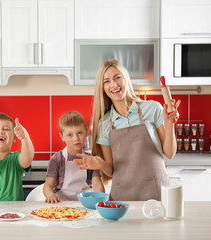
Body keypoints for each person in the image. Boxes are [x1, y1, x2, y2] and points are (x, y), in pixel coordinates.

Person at [74, 59, 181, 201]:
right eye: (106, 81)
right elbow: (111, 170)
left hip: (157, 191)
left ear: (126, 79)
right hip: (123, 197)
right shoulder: (104, 124)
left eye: (117, 77)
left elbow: (170, 153)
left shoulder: (152, 109)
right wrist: (101, 165)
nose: (113, 85)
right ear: (102, 88)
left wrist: (169, 124)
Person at [44, 111, 105, 203]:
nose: (76, 138)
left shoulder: (91, 159)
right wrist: (50, 195)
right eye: (70, 135)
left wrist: (99, 198)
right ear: (62, 137)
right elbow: (48, 185)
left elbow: (97, 183)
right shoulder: (56, 160)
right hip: (61, 204)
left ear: (86, 132)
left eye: (79, 133)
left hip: (85, 203)